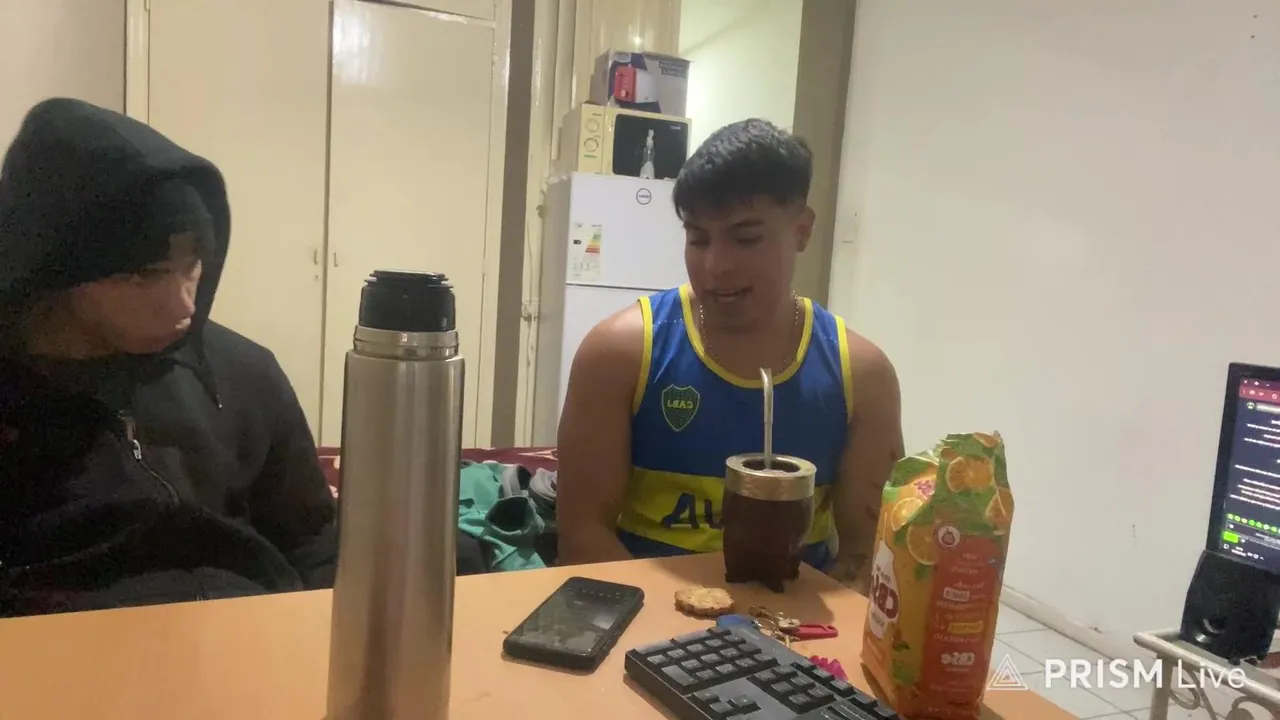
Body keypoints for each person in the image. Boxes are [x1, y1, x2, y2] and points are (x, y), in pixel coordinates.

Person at [0, 98, 337, 616]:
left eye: (193, 265)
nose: (184, 305)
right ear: (58, 268)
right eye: (146, 274)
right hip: (64, 651)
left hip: (250, 634)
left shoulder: (245, 372)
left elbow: (314, 539)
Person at [555, 119, 903, 591]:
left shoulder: (861, 374)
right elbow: (582, 536)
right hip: (644, 616)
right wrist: (686, 627)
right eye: (698, 238)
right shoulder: (618, 354)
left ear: (802, 231)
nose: (715, 266)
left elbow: (869, 556)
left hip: (802, 624)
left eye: (746, 238)